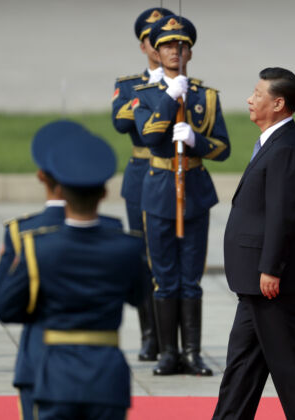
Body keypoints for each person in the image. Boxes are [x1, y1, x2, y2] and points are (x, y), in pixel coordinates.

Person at [0, 121, 148, 420]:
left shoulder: (37, 247)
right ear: (104, 192)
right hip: (106, 375)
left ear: (58, 187)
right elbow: (139, 296)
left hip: (55, 373)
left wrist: (5, 266)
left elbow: (2, 307)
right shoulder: (126, 246)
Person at [213, 67, 295, 420]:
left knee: (291, 371)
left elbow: (282, 214)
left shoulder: (287, 146)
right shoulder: (273, 142)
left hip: (274, 282)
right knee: (242, 368)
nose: (249, 99)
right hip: (255, 283)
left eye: (257, 94)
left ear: (278, 103)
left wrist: (270, 268)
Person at [132, 15, 230, 376]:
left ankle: (191, 352)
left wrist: (196, 142)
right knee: (164, 277)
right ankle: (167, 352)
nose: (175, 50)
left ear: (189, 50)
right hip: (159, 190)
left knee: (191, 277)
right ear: (156, 51)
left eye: (181, 45)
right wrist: (169, 98)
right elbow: (149, 137)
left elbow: (223, 149)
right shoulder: (143, 95)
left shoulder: (205, 96)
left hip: (195, 190)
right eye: (168, 45)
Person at [111, 6, 173, 362]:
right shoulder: (129, 85)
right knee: (146, 258)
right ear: (144, 44)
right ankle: (151, 335)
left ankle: (174, 340)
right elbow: (122, 124)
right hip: (142, 174)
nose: (159, 45)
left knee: (172, 258)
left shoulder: (184, 85)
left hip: (174, 172)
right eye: (154, 39)